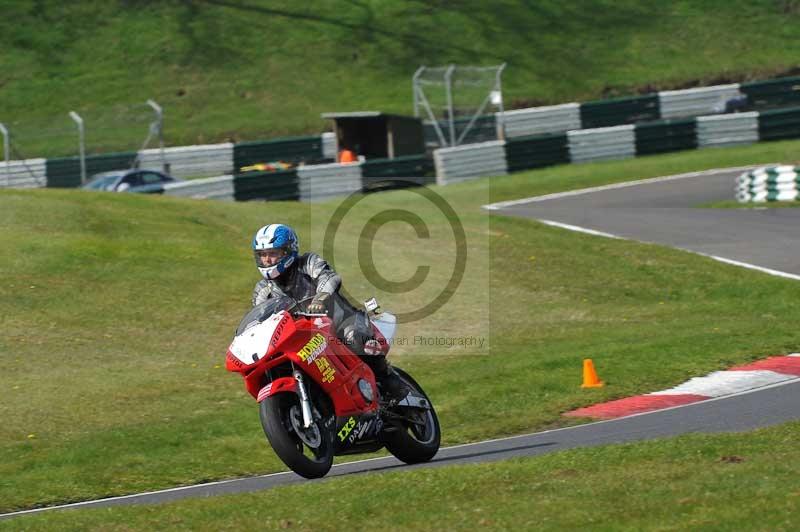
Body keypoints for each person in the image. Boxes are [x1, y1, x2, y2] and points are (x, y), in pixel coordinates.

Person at [250, 223, 409, 401]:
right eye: (263, 255)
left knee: (359, 342)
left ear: (288, 251)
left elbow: (329, 276)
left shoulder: (307, 263)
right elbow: (260, 319)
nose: (267, 260)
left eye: (273, 253)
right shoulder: (263, 290)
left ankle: (390, 381)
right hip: (305, 339)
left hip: (341, 323)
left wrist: (320, 297)